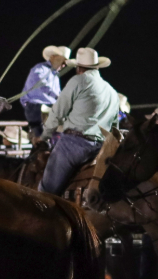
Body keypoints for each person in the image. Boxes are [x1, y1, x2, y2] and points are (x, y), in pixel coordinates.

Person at [38, 47, 119, 196]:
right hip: (100, 149)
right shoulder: (112, 92)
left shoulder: (79, 80)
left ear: (78, 67)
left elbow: (58, 112)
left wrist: (44, 137)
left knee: (45, 192)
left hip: (73, 145)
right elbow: (115, 127)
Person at [20, 45, 70, 141]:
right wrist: (57, 96)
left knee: (48, 139)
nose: (64, 65)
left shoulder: (54, 75)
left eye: (65, 63)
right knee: (43, 139)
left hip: (45, 109)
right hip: (36, 108)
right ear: (53, 57)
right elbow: (40, 84)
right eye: (63, 61)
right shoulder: (40, 68)